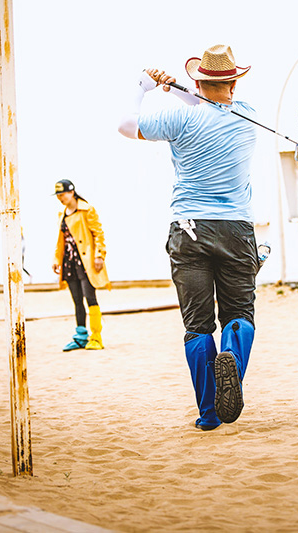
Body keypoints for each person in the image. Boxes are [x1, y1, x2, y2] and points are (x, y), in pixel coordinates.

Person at [118, 44, 260, 430]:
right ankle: (231, 355)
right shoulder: (249, 119)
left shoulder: (179, 120)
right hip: (235, 228)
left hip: (188, 228)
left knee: (198, 326)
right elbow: (211, 104)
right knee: (239, 316)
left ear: (198, 80)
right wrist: (180, 89)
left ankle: (209, 413)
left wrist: (145, 87)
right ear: (234, 83)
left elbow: (125, 125)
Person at [52, 179, 111, 351]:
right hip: (69, 262)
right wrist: (56, 259)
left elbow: (98, 234)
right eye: (58, 195)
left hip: (85, 262)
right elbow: (60, 241)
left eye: (62, 194)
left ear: (72, 192)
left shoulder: (87, 210)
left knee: (90, 298)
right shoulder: (62, 215)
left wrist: (99, 255)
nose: (60, 198)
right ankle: (80, 337)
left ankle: (96, 337)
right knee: (77, 300)